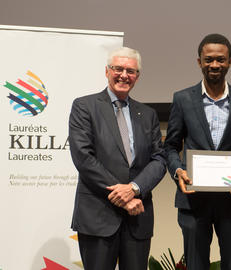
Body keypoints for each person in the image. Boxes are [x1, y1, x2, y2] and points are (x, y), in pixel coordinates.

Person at [164, 33, 231, 270]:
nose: (215, 65)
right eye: (208, 59)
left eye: (221, 59)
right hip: (193, 201)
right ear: (199, 62)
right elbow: (169, 146)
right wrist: (178, 170)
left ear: (230, 61)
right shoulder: (183, 99)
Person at [68, 47, 166, 270]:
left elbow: (159, 159)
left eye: (130, 71)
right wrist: (122, 195)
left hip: (137, 216)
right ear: (107, 71)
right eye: (118, 69)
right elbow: (84, 157)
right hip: (98, 215)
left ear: (137, 76)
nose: (124, 75)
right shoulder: (85, 107)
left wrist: (134, 188)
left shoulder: (148, 114)